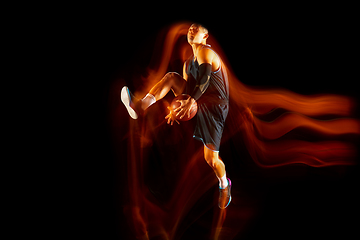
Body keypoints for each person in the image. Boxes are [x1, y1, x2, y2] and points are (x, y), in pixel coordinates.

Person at [121, 23, 231, 209]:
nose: (192, 29)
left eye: (198, 28)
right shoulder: (188, 64)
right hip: (198, 103)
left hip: (214, 107)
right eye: (191, 27)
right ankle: (140, 106)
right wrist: (175, 110)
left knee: (211, 160)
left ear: (206, 36)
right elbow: (184, 95)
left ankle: (224, 184)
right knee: (172, 77)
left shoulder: (206, 52)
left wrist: (191, 100)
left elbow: (204, 80)